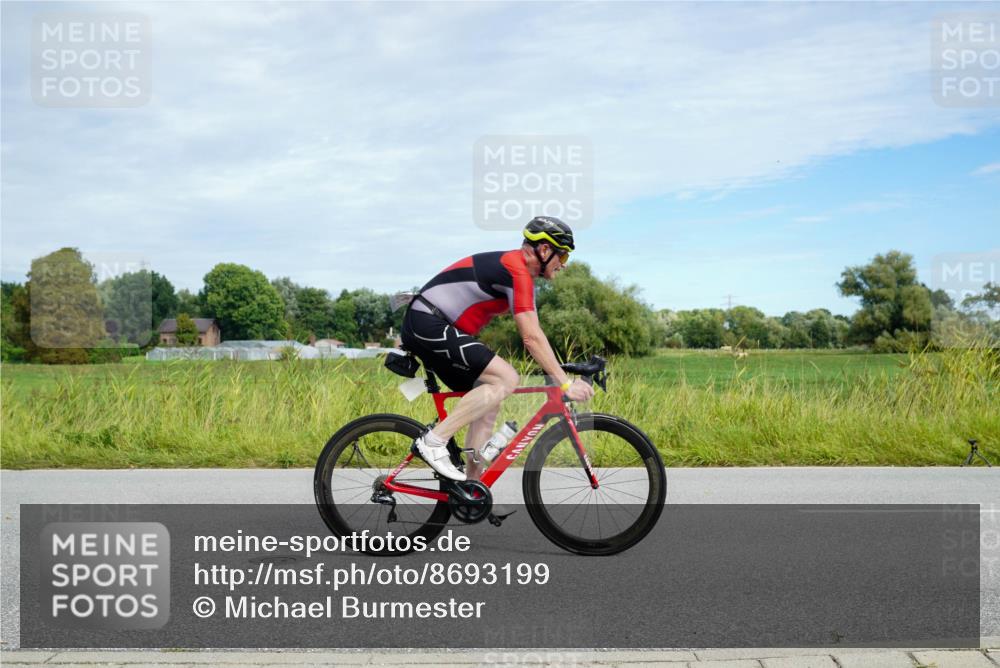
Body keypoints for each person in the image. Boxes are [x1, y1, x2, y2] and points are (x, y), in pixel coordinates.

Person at [401, 216, 595, 482]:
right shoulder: (517, 270)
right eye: (563, 256)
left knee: (488, 401)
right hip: (428, 321)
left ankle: (471, 487)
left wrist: (557, 370)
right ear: (544, 250)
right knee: (506, 378)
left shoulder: (517, 271)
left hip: (431, 323)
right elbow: (531, 337)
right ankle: (433, 442)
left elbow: (534, 333)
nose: (564, 264)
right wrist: (564, 384)